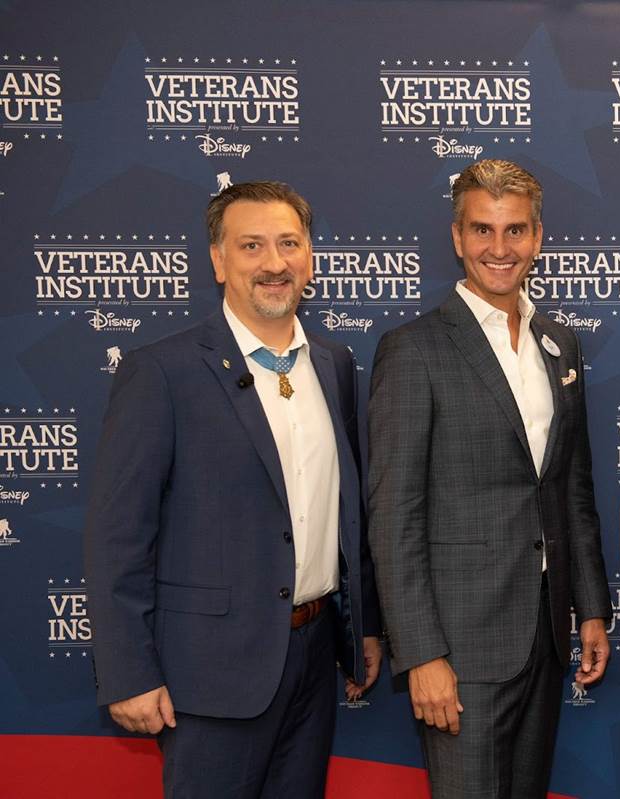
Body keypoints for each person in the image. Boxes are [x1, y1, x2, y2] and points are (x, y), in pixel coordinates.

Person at [83, 181, 382, 799]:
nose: (274, 263)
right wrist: (127, 672)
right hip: (207, 674)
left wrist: (362, 627)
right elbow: (118, 536)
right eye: (252, 245)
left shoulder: (333, 363)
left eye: (288, 244)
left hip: (313, 659)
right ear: (219, 261)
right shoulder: (161, 371)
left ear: (311, 258)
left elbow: (344, 517)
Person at [368, 159, 611, 799]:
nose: (499, 249)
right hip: (460, 647)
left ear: (537, 236)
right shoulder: (413, 349)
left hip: (544, 633)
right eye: (482, 230)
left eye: (515, 231)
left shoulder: (559, 343)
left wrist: (590, 608)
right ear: (457, 237)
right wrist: (421, 654)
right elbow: (394, 516)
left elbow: (571, 489)